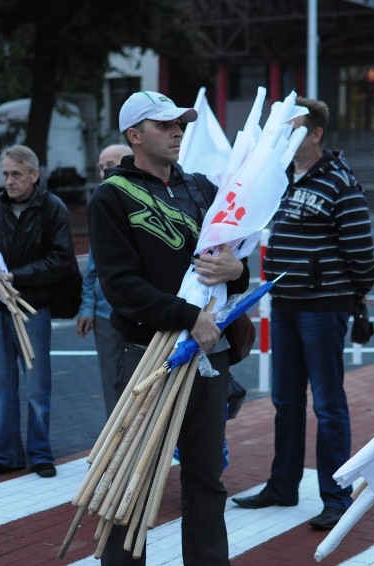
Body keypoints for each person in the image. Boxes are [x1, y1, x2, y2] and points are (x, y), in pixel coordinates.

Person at [88, 90, 250, 565]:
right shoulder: (111, 196)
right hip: (146, 353)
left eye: (180, 123)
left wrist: (238, 273)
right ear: (134, 136)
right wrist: (188, 317)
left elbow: (235, 259)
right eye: (164, 125)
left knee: (205, 478)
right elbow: (120, 286)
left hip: (208, 354)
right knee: (132, 478)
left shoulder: (202, 187)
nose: (178, 131)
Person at [232, 97, 374, 531]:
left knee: (329, 405)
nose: (284, 136)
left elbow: (362, 255)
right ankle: (283, 485)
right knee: (286, 400)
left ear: (315, 133)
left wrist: (348, 295)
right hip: (286, 305)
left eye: (292, 128)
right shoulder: (280, 178)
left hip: (324, 307)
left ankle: (336, 498)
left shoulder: (339, 181)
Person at [0, 144, 77, 479]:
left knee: (38, 384)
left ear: (34, 175)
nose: (8, 181)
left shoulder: (52, 208)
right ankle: (7, 454)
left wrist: (18, 276)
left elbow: (62, 259)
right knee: (1, 384)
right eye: (5, 174)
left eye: (16, 174)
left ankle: (40, 453)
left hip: (32, 308)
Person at [76, 144, 133, 416]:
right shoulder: (101, 202)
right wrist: (87, 308)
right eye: (100, 166)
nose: (104, 171)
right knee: (112, 382)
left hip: (142, 313)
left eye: (109, 163)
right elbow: (92, 268)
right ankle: (117, 446)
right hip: (105, 315)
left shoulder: (141, 199)